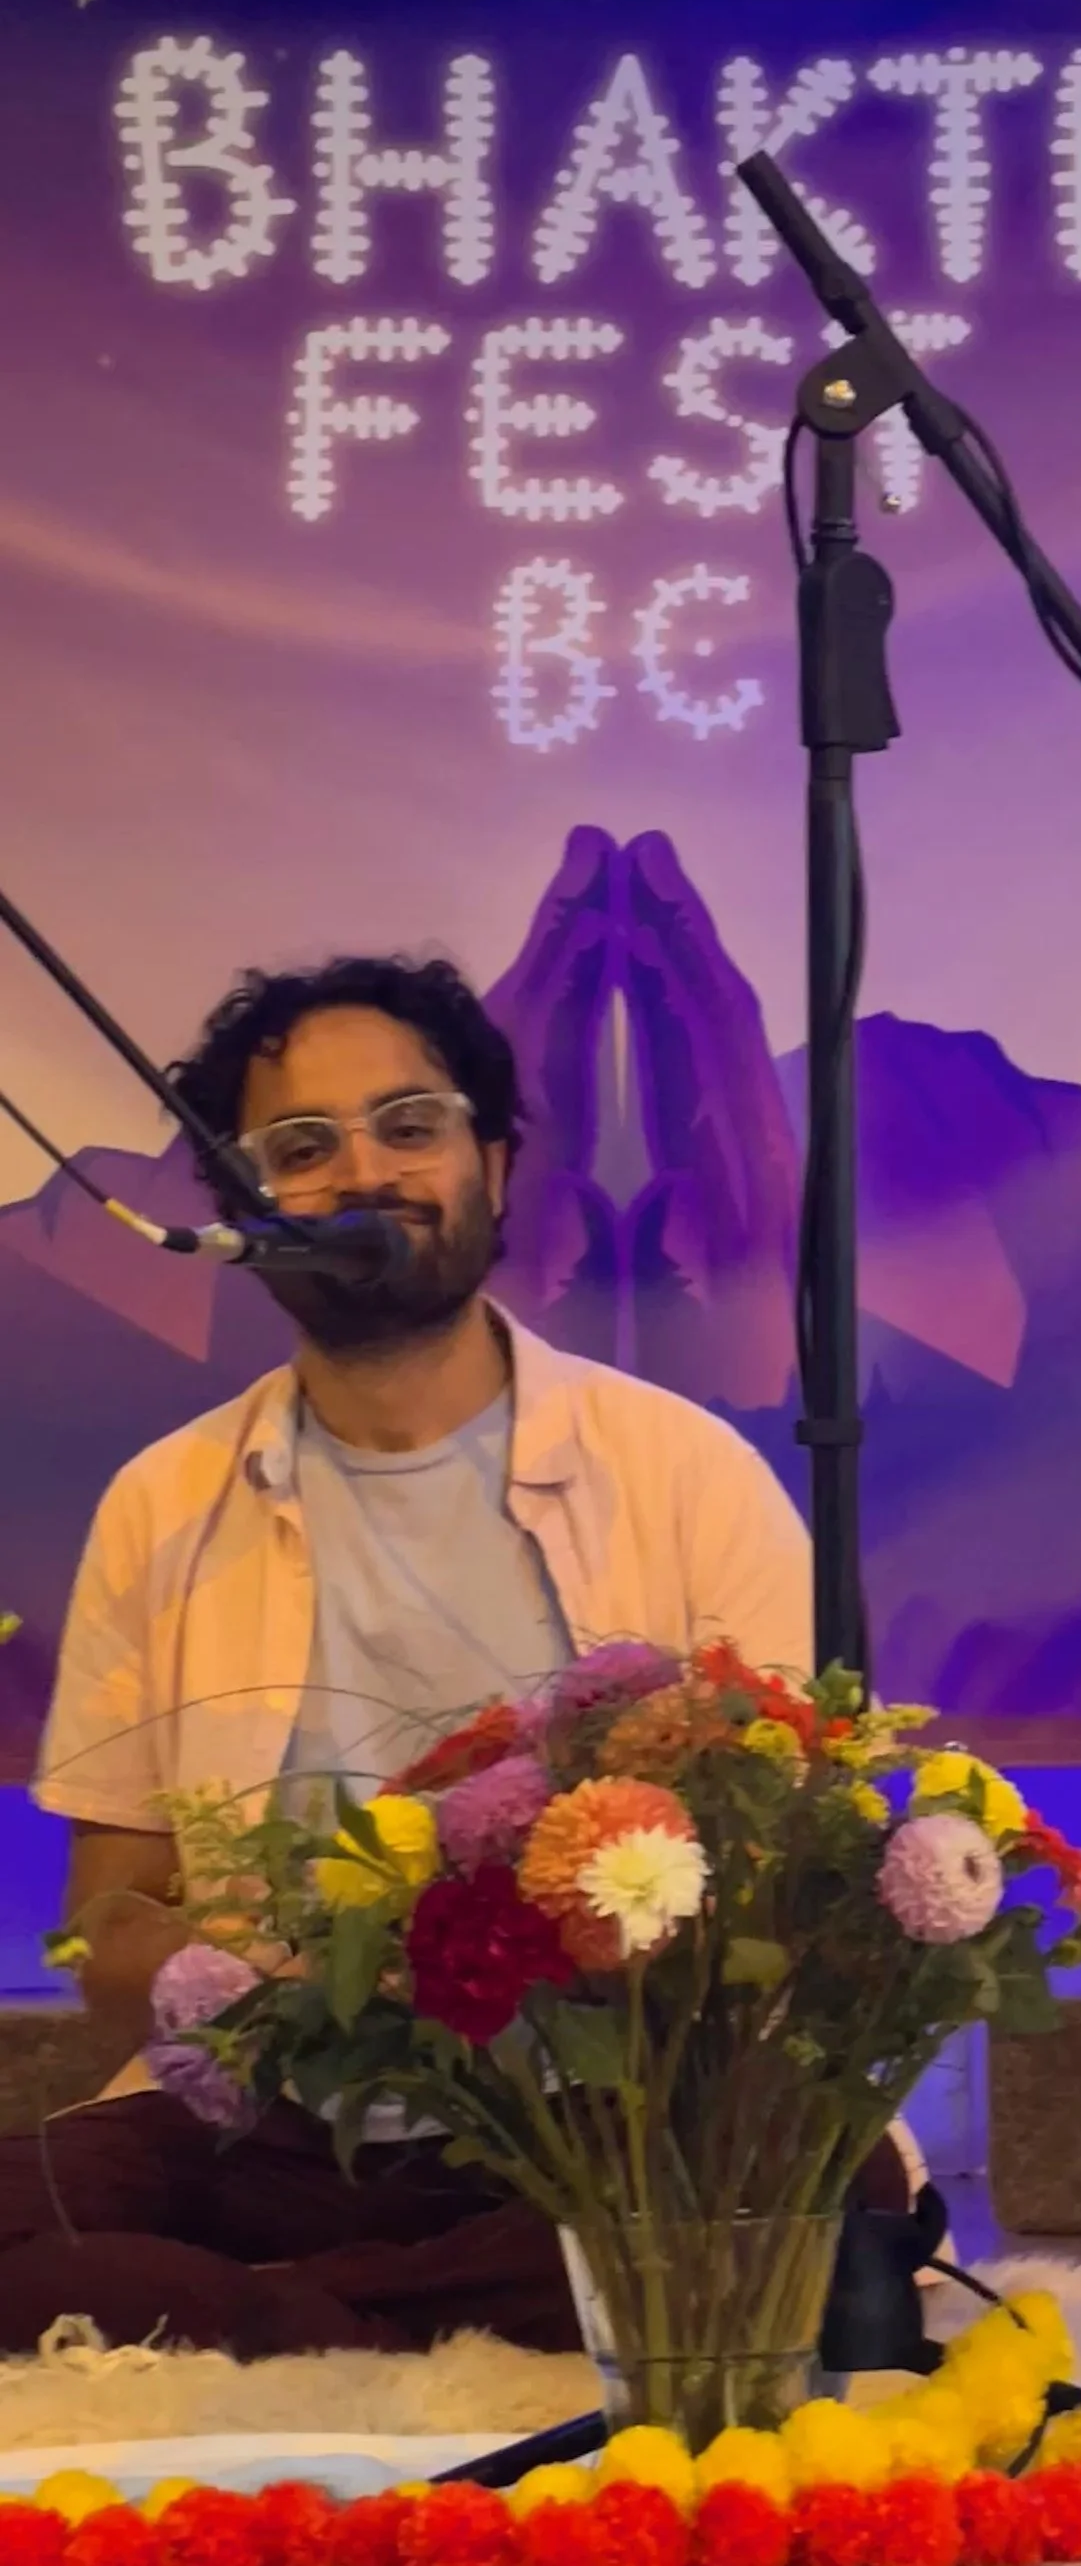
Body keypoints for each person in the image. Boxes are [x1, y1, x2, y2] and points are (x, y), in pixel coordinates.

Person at [3, 951, 886, 2355]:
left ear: (494, 1158)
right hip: (272, 2131)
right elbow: (102, 1920)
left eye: (410, 1126)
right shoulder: (164, 1501)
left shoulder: (681, 1471)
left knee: (830, 2196)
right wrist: (197, 1979)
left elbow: (796, 1888)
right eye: (302, 1148)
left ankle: (274, 2333)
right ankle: (414, 2319)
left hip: (607, 2112)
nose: (365, 1174)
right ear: (243, 1208)